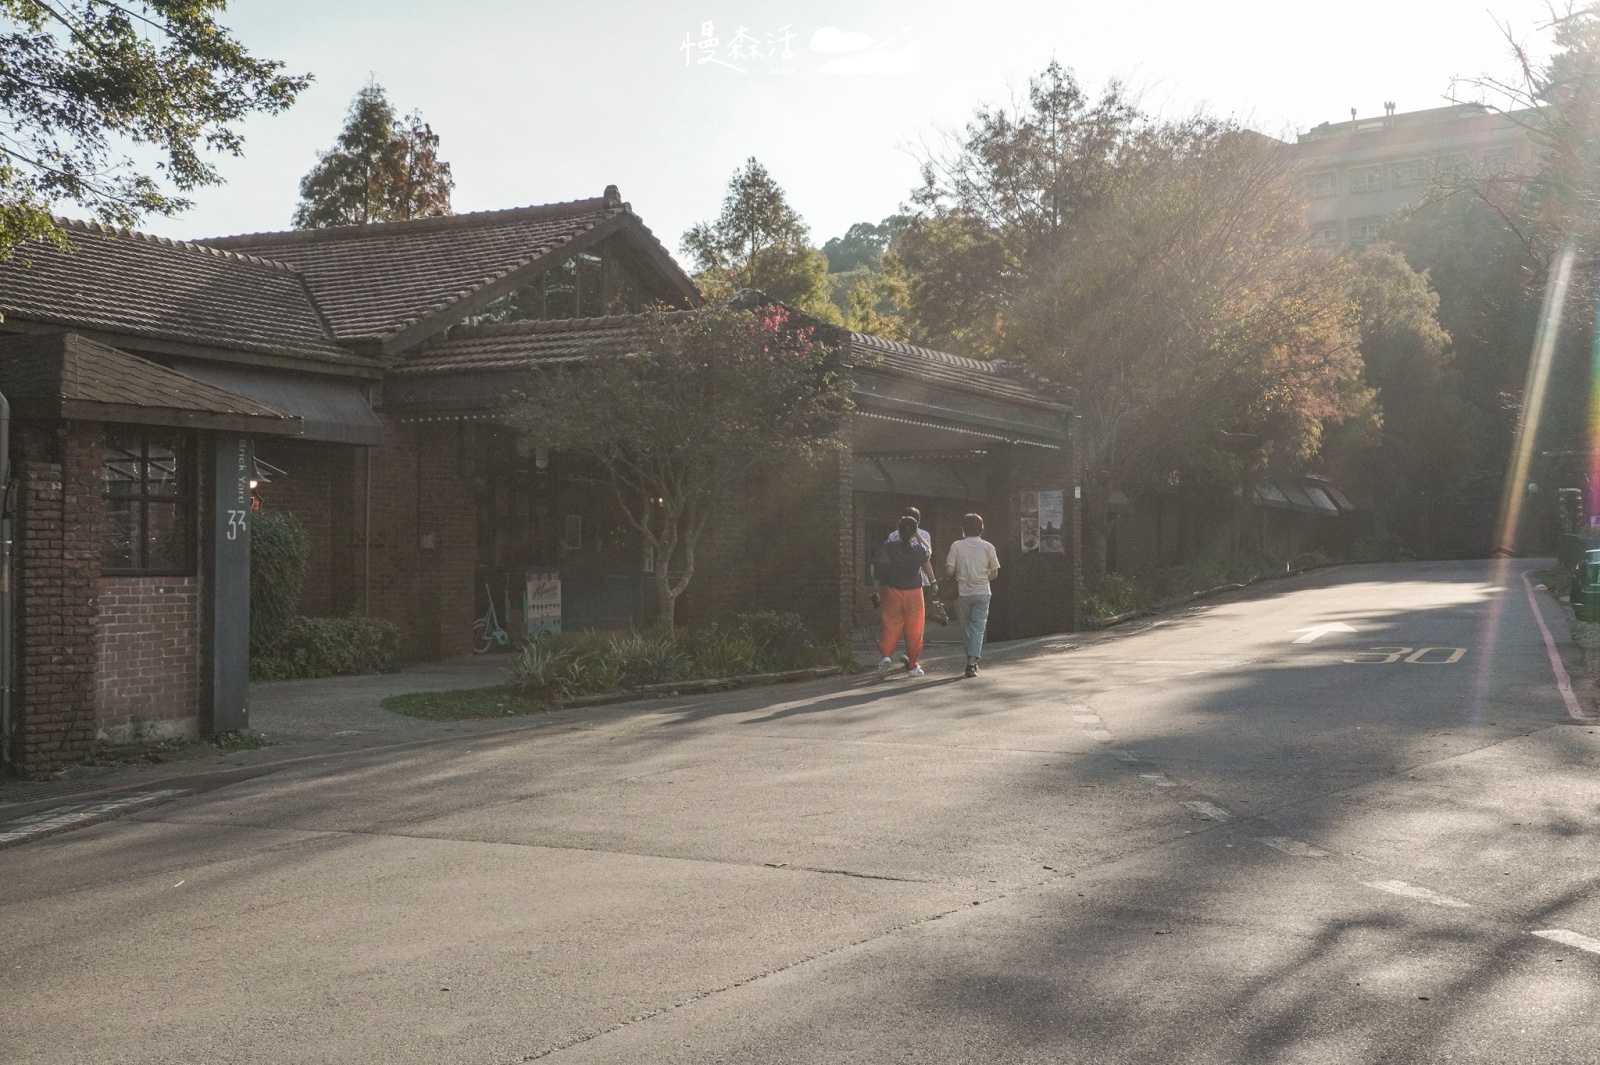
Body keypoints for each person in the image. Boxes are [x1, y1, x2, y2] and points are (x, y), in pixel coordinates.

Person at [874, 515, 930, 679]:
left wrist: (876, 588)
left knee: (890, 625)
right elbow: (929, 552)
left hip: (892, 590)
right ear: (914, 532)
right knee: (915, 629)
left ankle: (886, 655)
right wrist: (918, 536)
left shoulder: (888, 547)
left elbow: (879, 568)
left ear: (898, 531)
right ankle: (913, 665)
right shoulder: (919, 551)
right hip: (914, 592)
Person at [945, 512, 1000, 678]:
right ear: (981, 529)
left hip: (962, 592)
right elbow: (995, 573)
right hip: (983, 591)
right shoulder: (988, 547)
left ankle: (970, 660)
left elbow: (949, 570)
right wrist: (983, 577)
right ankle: (971, 663)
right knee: (978, 627)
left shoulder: (956, 546)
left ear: (963, 529)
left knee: (966, 627)